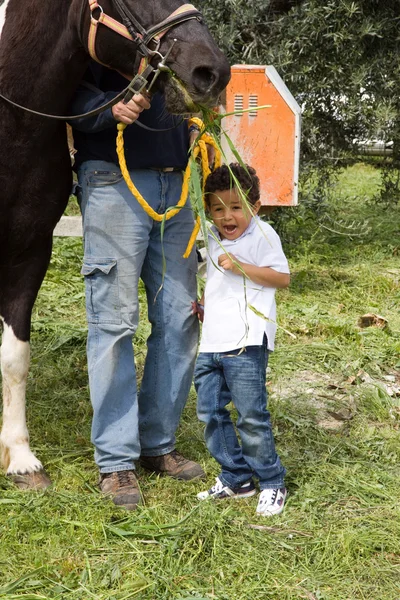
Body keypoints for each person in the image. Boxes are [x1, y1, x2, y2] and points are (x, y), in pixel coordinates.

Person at [69, 62, 205, 511]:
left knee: (181, 318)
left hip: (178, 183)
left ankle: (157, 445)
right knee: (114, 322)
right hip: (113, 180)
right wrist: (110, 108)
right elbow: (65, 93)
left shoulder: (172, 25)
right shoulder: (101, 20)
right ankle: (116, 460)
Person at [193, 163, 290, 517]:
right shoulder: (213, 235)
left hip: (247, 340)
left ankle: (271, 481)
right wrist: (204, 305)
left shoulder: (263, 235)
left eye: (236, 207)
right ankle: (236, 477)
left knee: (251, 415)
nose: (227, 216)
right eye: (218, 209)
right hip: (212, 340)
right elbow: (218, 281)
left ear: (255, 207)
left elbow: (282, 278)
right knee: (210, 412)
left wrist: (240, 265)